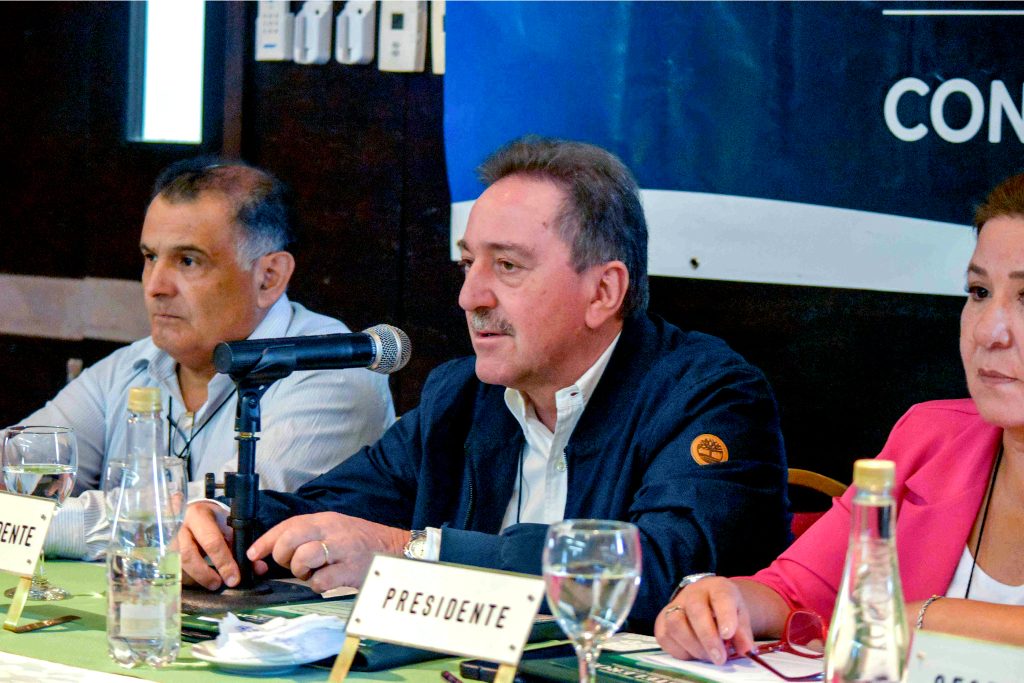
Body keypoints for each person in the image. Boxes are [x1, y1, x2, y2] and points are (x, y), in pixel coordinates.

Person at [180, 136, 789, 624]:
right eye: (469, 263)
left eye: (508, 265)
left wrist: (411, 553)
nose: (471, 296)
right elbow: (330, 510)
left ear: (604, 291)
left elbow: (654, 569)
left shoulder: (707, 395)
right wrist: (229, 527)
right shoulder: (462, 395)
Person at [655, 173, 1024, 660]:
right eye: (978, 292)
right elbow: (793, 593)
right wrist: (721, 602)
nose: (989, 331)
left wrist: (929, 619)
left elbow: (895, 625)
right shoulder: (930, 437)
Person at [18, 158, 396, 561]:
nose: (156, 286)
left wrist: (40, 524)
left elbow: (222, 520)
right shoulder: (132, 365)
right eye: (150, 257)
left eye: (188, 261)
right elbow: (18, 467)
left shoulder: (332, 370)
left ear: (268, 277)